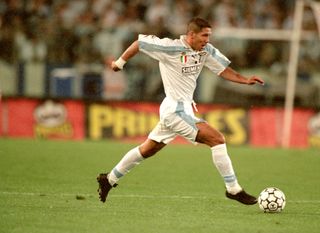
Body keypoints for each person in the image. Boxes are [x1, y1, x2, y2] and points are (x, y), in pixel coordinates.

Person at [97, 17, 264, 205]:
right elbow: (139, 43)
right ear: (191, 35)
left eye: (209, 35)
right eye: (204, 35)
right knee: (217, 139)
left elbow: (223, 70)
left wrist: (246, 80)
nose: (208, 40)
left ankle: (109, 179)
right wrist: (119, 63)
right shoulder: (170, 47)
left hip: (185, 109)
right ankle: (233, 189)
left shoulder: (206, 50)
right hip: (173, 110)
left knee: (148, 149)